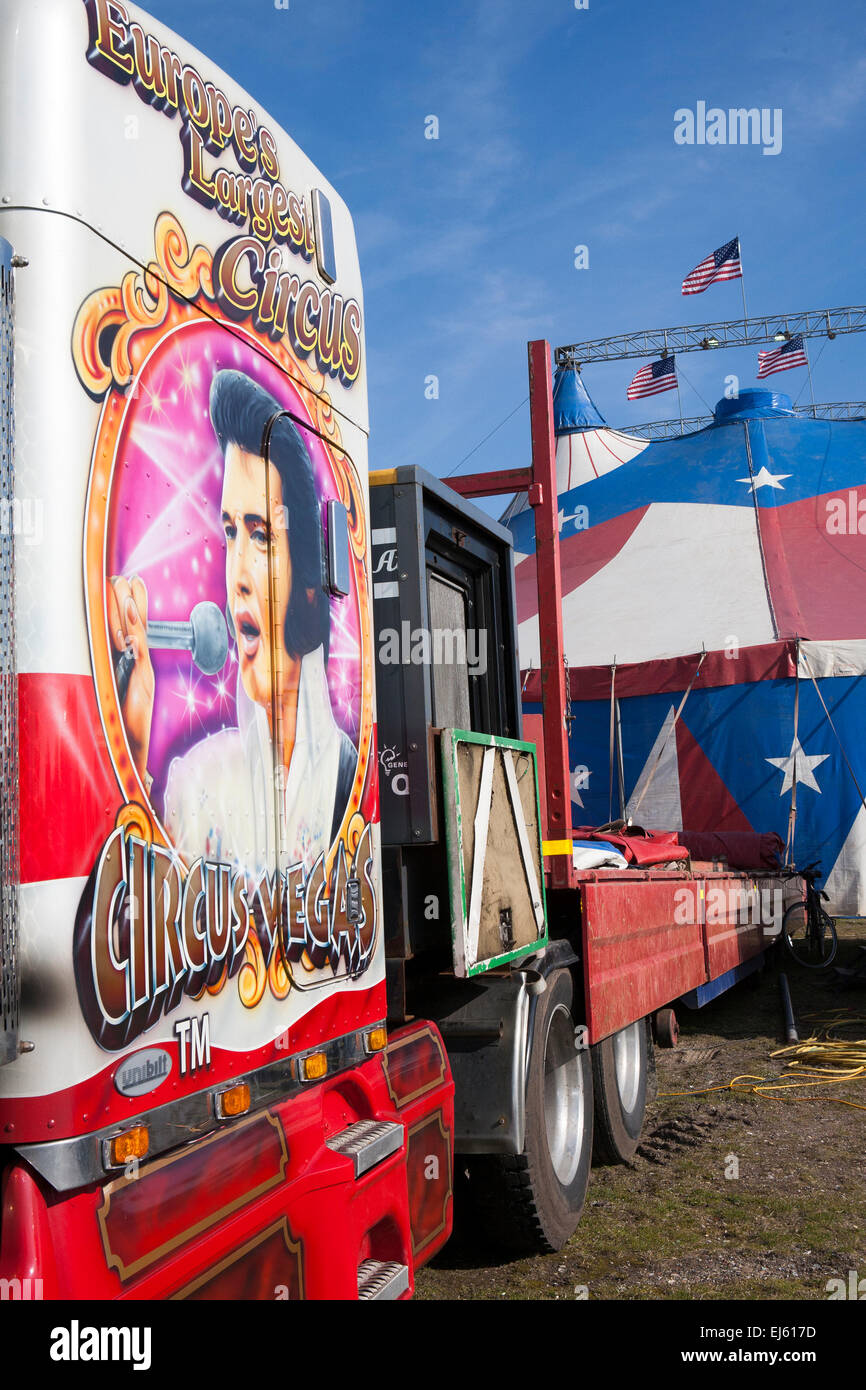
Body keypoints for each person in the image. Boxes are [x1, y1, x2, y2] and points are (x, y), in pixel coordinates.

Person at [109, 369, 356, 878]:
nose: (237, 574)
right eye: (229, 533)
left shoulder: (345, 774)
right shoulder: (196, 783)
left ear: (311, 581)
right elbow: (133, 928)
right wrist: (130, 747)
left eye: (261, 535)